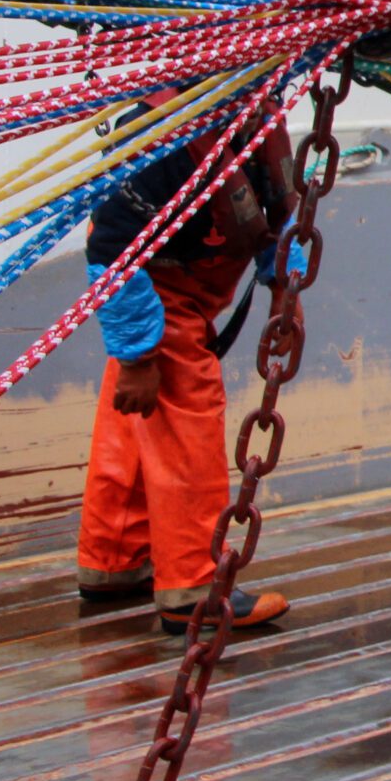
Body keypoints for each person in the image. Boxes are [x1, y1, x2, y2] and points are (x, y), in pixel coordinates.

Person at [77, 104, 299, 635]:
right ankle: (193, 587)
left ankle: (112, 562)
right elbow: (110, 251)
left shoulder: (256, 117)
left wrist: (282, 287)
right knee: (190, 423)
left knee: (133, 426)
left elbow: (279, 212)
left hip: (192, 298)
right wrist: (136, 355)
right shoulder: (166, 140)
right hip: (154, 299)